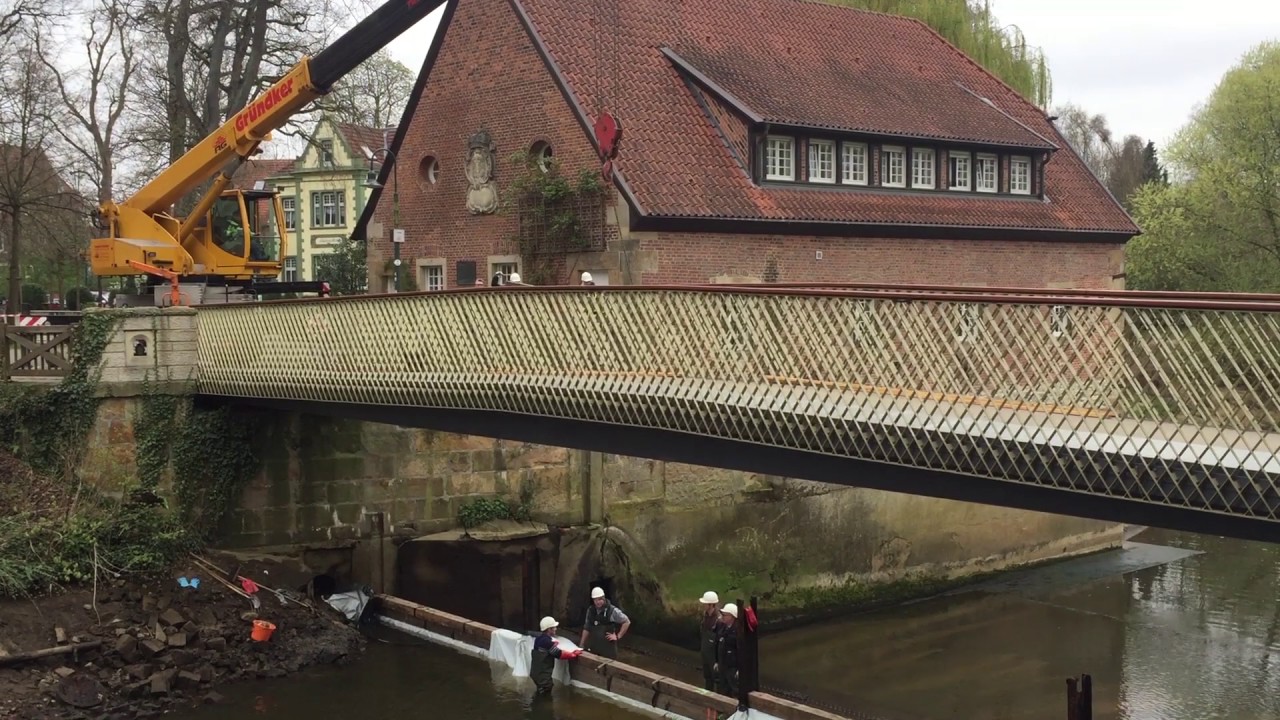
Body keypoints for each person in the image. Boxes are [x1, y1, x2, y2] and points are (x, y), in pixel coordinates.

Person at [530, 616, 581, 695]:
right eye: (554, 627)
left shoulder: (539, 639)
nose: (556, 629)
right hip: (543, 677)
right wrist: (573, 654)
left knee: (539, 691)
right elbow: (559, 654)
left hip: (535, 674)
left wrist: (553, 645)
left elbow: (546, 648)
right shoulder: (547, 642)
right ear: (549, 629)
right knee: (545, 694)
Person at [578, 586, 630, 658]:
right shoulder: (591, 611)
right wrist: (581, 644)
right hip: (595, 648)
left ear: (604, 598)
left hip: (608, 650)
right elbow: (587, 627)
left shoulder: (612, 610)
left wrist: (618, 636)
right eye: (595, 600)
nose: (598, 602)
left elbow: (626, 621)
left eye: (600, 599)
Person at [698, 591, 723, 691]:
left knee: (717, 679)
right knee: (707, 678)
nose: (703, 605)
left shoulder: (719, 620)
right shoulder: (705, 616)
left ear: (711, 604)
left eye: (705, 603)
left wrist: (717, 660)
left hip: (714, 654)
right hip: (705, 652)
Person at [714, 603, 739, 699]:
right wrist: (717, 661)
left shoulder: (738, 631)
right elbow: (717, 644)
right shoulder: (722, 628)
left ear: (732, 616)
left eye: (725, 615)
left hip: (732, 667)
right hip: (723, 664)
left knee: (734, 690)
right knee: (722, 688)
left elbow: (741, 651)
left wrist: (740, 668)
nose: (722, 617)